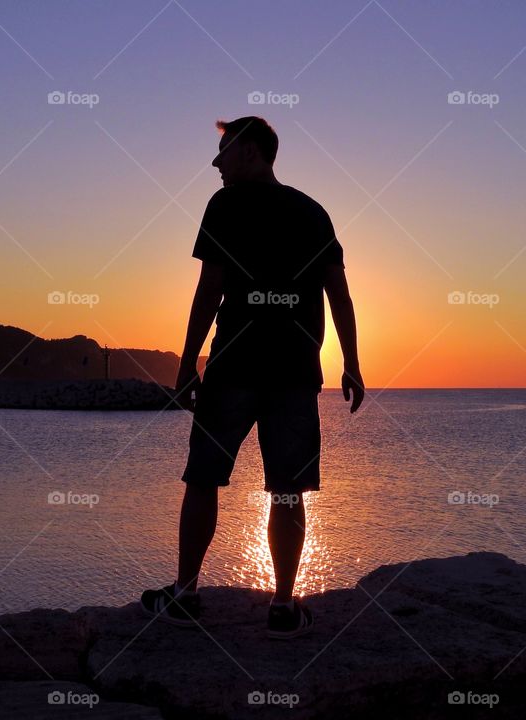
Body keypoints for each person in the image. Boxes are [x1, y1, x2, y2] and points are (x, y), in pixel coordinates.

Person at [141, 116, 364, 640]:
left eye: (223, 150)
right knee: (288, 491)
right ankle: (284, 607)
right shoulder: (313, 212)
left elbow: (208, 291)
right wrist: (351, 362)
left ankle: (185, 594)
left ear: (251, 151)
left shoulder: (227, 205)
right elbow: (340, 295)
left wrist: (185, 364)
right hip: (293, 373)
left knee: (203, 480)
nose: (216, 162)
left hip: (233, 369)